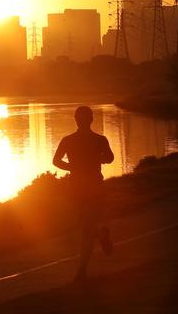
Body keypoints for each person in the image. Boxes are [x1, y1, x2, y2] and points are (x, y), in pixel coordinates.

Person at [53, 105, 114, 283]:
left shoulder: (90, 140)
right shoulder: (92, 140)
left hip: (88, 186)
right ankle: (101, 236)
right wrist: (77, 166)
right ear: (91, 119)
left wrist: (77, 166)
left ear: (77, 120)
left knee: (86, 227)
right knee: (84, 224)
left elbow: (56, 161)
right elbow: (110, 158)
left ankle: (82, 269)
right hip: (81, 186)